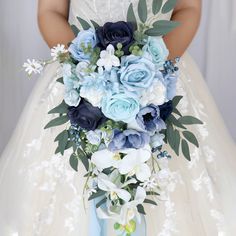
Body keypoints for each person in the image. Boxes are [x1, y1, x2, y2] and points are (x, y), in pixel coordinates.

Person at [0, 0, 236, 235]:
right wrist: (90, 72)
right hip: (83, 79)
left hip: (160, 76)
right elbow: (50, 11)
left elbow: (189, 9)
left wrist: (151, 73)